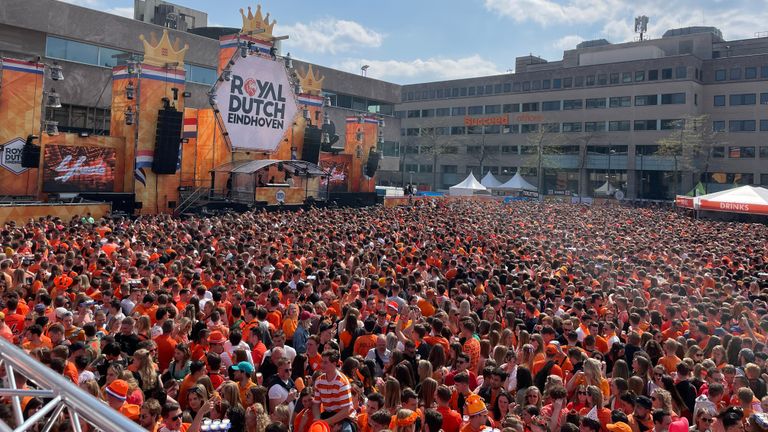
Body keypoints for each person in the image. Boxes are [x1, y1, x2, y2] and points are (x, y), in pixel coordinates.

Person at [313, 350, 354, 432]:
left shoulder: (342, 383)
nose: (322, 365)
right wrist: (318, 420)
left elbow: (346, 410)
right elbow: (316, 404)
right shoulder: (319, 381)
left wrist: (325, 422)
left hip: (343, 417)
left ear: (334, 364)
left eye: (325, 362)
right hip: (327, 414)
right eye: (322, 362)